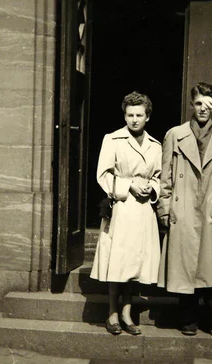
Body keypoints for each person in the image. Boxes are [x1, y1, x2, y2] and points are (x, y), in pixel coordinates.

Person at [157, 82, 212, 342]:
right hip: (183, 210)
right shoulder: (175, 135)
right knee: (186, 266)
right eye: (198, 104)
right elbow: (165, 178)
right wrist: (165, 210)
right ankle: (188, 318)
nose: (203, 109)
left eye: (208, 104)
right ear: (191, 105)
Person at [91, 91, 162, 336]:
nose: (134, 119)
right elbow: (103, 174)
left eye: (139, 115)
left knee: (134, 264)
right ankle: (112, 312)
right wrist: (129, 184)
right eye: (130, 115)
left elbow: (159, 177)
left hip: (143, 211)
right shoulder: (113, 140)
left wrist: (151, 187)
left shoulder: (155, 145)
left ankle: (127, 313)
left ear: (147, 117)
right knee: (118, 261)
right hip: (122, 208)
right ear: (124, 115)